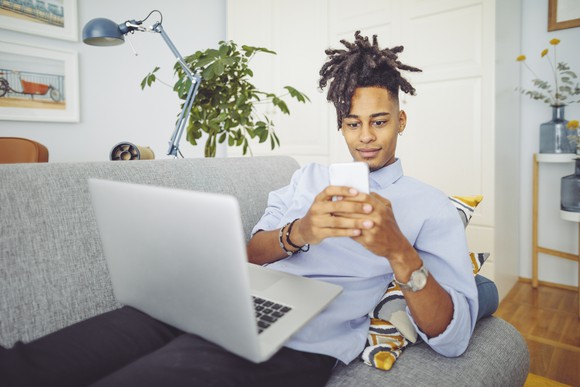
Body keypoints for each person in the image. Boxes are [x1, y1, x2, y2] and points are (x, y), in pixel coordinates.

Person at [0, 32, 479, 387]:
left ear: (402, 120)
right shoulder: (306, 179)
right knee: (29, 366)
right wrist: (301, 231)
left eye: (379, 122)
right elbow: (251, 254)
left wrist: (400, 253)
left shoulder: (429, 207)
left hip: (298, 341)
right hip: (217, 301)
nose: (366, 137)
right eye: (353, 124)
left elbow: (452, 337)